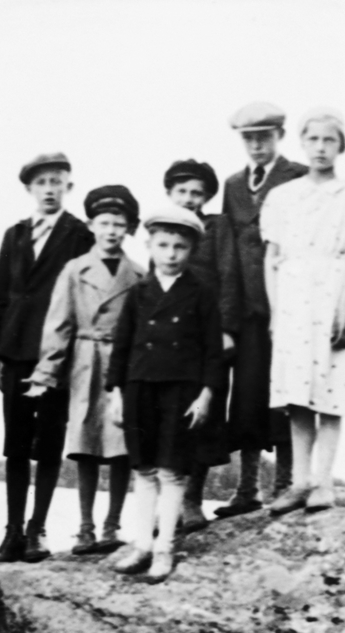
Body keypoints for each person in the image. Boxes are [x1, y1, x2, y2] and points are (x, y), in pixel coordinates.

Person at [25, 185, 144, 554]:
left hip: (122, 367)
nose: (111, 231)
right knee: (86, 444)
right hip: (86, 363)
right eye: (104, 223)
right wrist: (46, 373)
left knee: (121, 445)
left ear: (129, 229)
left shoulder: (139, 275)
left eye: (119, 224)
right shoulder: (75, 270)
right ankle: (85, 527)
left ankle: (112, 526)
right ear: (91, 225)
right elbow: (59, 323)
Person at [107, 204, 223, 582]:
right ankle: (142, 544)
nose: (171, 254)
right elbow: (122, 345)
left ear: (191, 250)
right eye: (163, 245)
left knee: (172, 471)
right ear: (149, 246)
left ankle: (164, 547)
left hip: (181, 390)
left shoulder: (201, 293)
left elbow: (213, 350)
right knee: (143, 469)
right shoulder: (139, 292)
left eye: (180, 247)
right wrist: (116, 392)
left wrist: (206, 394)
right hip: (140, 386)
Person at [0, 153, 95, 564]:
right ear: (29, 189)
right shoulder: (14, 234)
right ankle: (12, 531)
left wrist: (70, 356)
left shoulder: (79, 234)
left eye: (56, 181)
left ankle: (37, 529)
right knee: (15, 446)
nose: (49, 189)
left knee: (48, 444)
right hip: (16, 354)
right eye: (42, 182)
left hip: (57, 355)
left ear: (69, 186)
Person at [262, 108, 345, 516]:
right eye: (313, 140)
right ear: (302, 143)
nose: (320, 148)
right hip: (293, 298)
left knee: (331, 391)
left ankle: (324, 481)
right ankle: (300, 480)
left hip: (334, 293)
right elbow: (271, 258)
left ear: (341, 146)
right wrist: (276, 312)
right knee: (298, 394)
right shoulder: (283, 196)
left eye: (329, 140)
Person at [218, 102, 307, 518]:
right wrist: (229, 319)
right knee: (247, 397)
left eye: (264, 137)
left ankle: (286, 484)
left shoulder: (299, 176)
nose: (256, 145)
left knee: (288, 396)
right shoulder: (233, 185)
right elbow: (228, 252)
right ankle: (247, 487)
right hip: (249, 311)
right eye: (249, 139)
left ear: (280, 137)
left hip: (289, 307)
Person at [162, 160, 240, 532]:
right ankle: (168, 504)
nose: (189, 199)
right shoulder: (162, 232)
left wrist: (226, 330)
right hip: (169, 341)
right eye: (182, 192)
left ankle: (193, 499)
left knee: (204, 418)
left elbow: (229, 277)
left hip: (207, 337)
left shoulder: (217, 228)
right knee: (168, 420)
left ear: (207, 196)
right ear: (169, 194)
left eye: (197, 193)